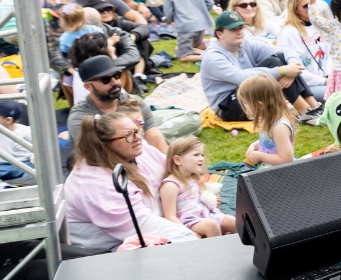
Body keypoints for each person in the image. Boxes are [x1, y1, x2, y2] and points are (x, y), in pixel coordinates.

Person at [64, 112, 197, 252]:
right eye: (128, 135)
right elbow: (143, 226)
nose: (138, 138)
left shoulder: (138, 151)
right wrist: (193, 239)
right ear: (105, 145)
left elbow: (176, 171)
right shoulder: (96, 184)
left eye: (136, 130)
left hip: (151, 226)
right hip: (105, 252)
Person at [199, 11, 318, 123]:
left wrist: (291, 66)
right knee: (274, 65)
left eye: (240, 27)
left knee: (275, 60)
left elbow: (284, 51)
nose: (239, 32)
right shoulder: (212, 57)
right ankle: (305, 112)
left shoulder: (244, 44)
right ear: (219, 34)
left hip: (248, 92)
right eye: (233, 29)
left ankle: (313, 107)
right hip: (228, 105)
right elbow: (241, 77)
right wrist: (282, 71)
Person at [67, 55, 168, 152]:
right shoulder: (80, 118)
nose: (115, 82)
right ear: (88, 86)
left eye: (116, 75)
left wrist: (167, 166)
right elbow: (98, 156)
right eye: (105, 80)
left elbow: (154, 137)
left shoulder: (134, 103)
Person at [159, 136, 234, 238]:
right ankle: (220, 253)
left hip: (207, 215)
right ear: (177, 160)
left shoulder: (194, 178)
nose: (202, 158)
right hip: (189, 223)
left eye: (202, 155)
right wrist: (188, 233)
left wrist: (212, 201)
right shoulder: (171, 185)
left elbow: (198, 198)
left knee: (232, 221)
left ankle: (248, 248)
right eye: (196, 155)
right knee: (212, 226)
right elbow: (170, 216)